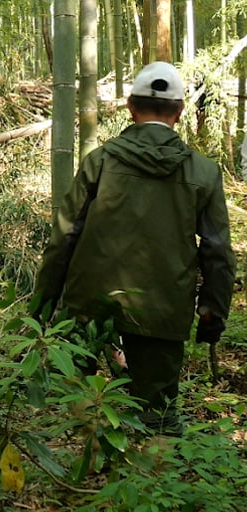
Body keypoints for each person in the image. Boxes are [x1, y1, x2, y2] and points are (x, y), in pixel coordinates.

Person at [32, 61, 236, 436]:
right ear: (180, 111)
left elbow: (64, 237)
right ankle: (153, 466)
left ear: (130, 106)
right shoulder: (203, 173)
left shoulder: (99, 162)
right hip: (163, 309)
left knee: (83, 405)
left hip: (89, 304)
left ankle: (92, 459)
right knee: (158, 417)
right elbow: (218, 252)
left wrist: (41, 306)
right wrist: (211, 314)